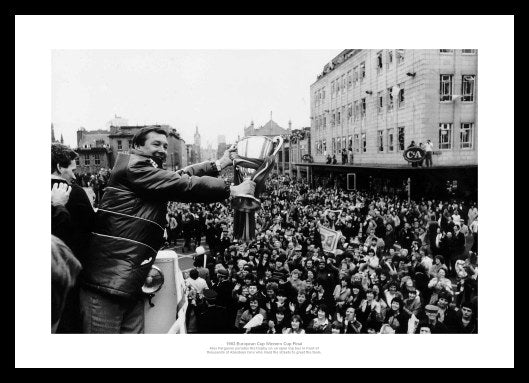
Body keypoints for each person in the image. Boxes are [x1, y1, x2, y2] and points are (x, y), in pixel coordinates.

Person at [79, 126, 256, 333]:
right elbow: (182, 184)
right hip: (107, 285)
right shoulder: (134, 167)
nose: (162, 149)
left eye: (164, 145)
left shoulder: (144, 171)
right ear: (136, 146)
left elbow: (177, 176)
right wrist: (231, 190)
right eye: (156, 144)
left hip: (128, 282)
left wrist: (219, 164)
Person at [51, 143, 97, 333]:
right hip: (68, 269)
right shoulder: (74, 191)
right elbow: (92, 225)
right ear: (60, 167)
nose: (74, 175)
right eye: (71, 168)